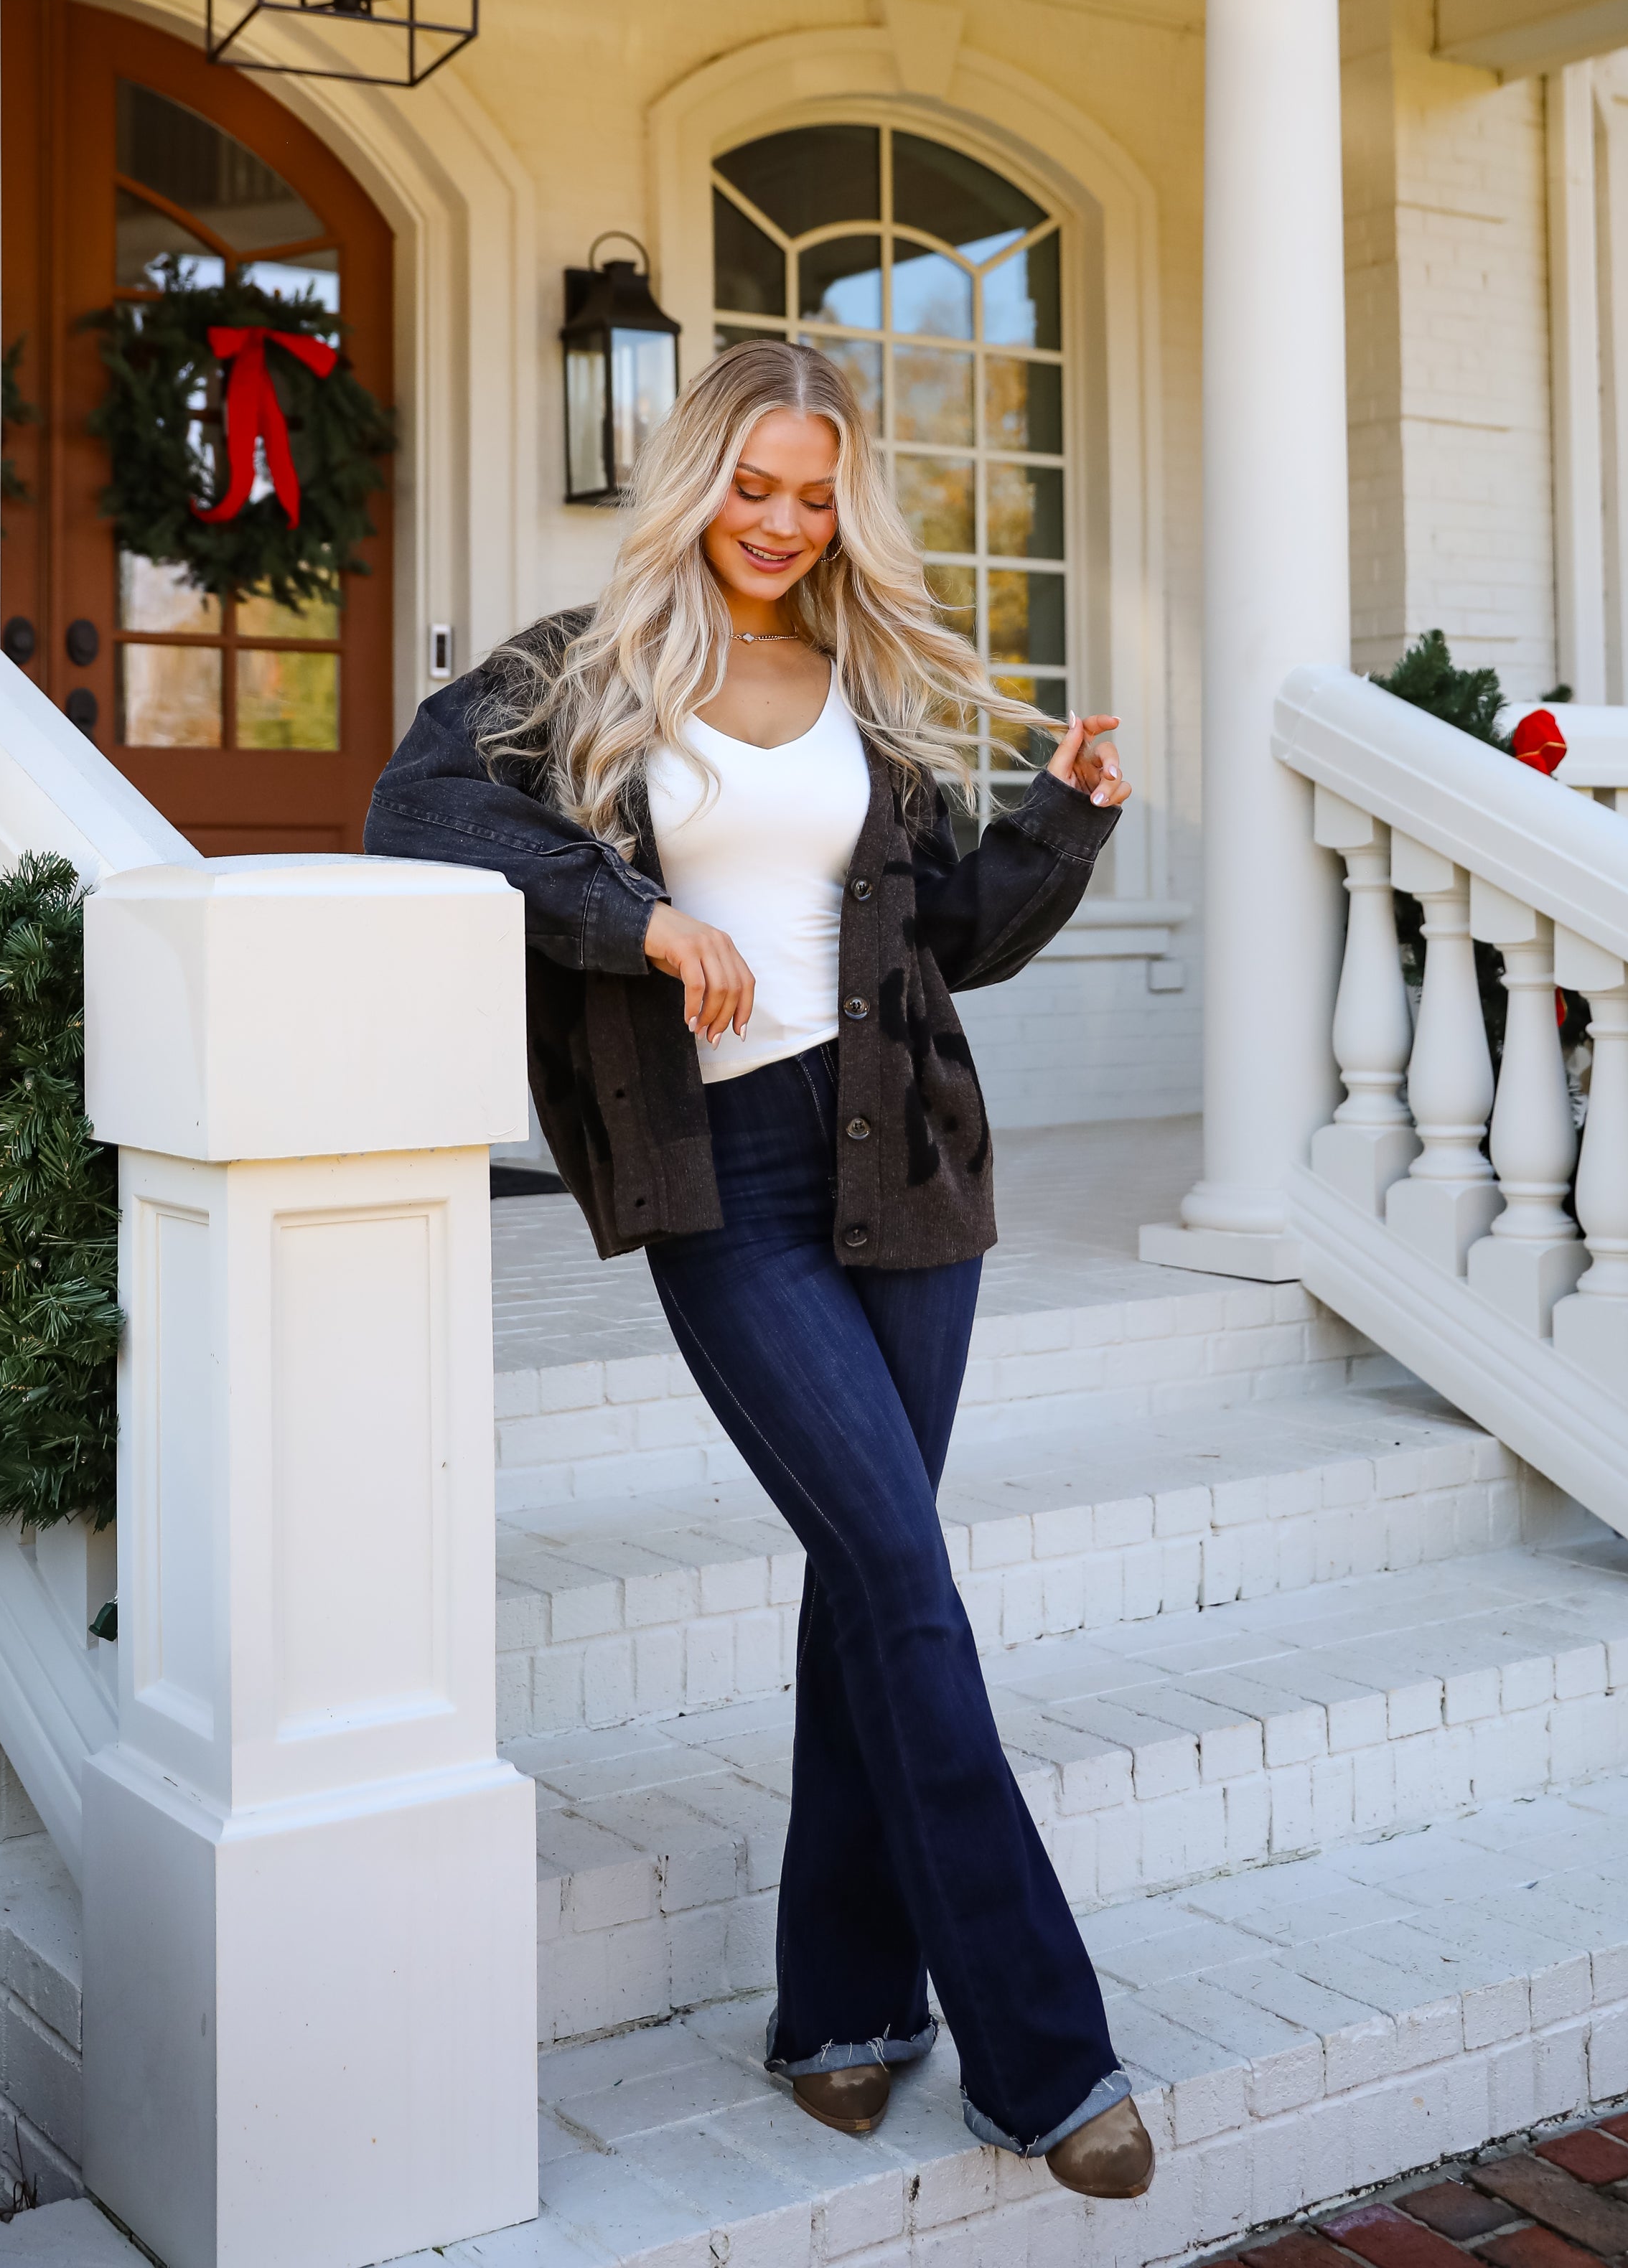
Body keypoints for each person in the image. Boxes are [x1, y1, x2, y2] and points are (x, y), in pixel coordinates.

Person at [365, 334, 1154, 2199]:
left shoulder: (864, 685)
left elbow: (951, 938)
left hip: (911, 1173)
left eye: (816, 494)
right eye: (755, 486)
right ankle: (1044, 2057)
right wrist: (636, 922)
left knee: (865, 1584)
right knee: (900, 1575)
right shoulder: (582, 671)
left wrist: (1068, 814)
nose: (784, 524)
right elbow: (421, 814)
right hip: (722, 1176)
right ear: (696, 476)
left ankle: (840, 2013)